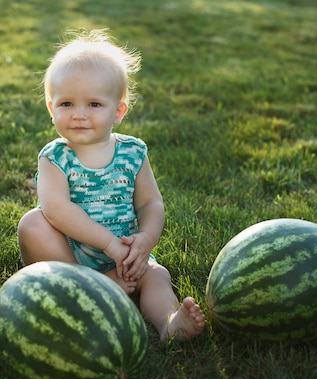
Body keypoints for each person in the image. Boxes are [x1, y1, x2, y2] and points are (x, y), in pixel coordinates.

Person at [17, 29, 205, 341]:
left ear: (118, 111)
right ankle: (86, 287)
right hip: (73, 254)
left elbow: (150, 204)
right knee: (33, 224)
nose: (78, 115)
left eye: (93, 104)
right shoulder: (54, 157)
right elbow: (57, 210)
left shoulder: (133, 153)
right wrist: (107, 244)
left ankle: (170, 323)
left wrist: (144, 241)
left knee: (157, 276)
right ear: (52, 109)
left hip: (126, 255)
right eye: (66, 104)